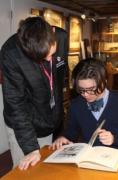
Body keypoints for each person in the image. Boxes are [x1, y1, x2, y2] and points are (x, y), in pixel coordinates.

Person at [0, 17, 68, 170]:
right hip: (23, 122)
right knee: (25, 168)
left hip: (47, 118)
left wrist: (58, 122)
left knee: (44, 165)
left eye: (51, 53)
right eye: (44, 57)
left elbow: (59, 78)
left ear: (53, 32)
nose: (50, 59)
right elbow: (15, 104)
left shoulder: (62, 37)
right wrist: (30, 148)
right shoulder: (11, 53)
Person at [51, 58, 118, 152]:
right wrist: (64, 138)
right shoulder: (76, 105)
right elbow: (71, 132)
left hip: (115, 157)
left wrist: (114, 139)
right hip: (88, 157)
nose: (85, 94)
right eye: (81, 89)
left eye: (91, 89)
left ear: (104, 82)